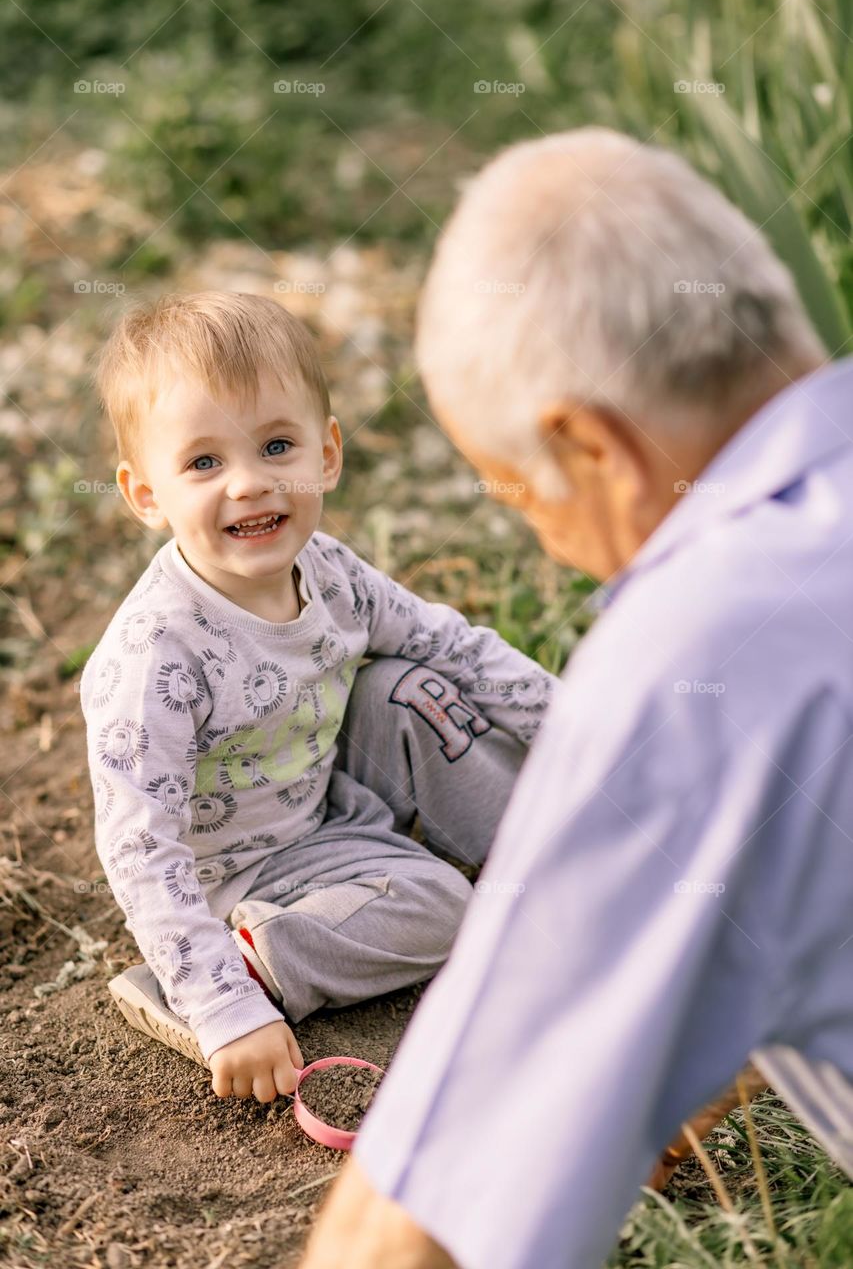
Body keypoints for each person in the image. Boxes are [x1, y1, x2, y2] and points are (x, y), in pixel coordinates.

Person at [299, 128, 853, 1269]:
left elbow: (410, 1225)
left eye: (524, 500)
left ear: (591, 447)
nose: (559, 558)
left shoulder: (702, 649)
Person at [77, 291, 556, 1102]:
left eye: (275, 446)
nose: (250, 484)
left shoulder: (329, 571)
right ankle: (251, 961)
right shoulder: (155, 655)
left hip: (327, 796)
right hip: (239, 868)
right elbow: (140, 846)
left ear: (325, 454)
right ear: (146, 495)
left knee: (411, 687)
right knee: (443, 906)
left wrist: (583, 732)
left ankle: (560, 846)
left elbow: (453, 645)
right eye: (203, 463)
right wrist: (223, 1007)